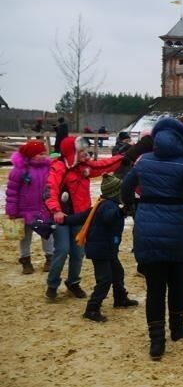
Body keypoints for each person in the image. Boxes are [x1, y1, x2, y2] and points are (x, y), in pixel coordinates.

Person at [121, 117, 183, 360]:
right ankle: (176, 328)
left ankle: (157, 342)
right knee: (177, 281)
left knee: (154, 287)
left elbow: (125, 187)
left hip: (147, 226)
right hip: (177, 227)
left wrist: (132, 207)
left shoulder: (145, 162)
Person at [45, 136, 123, 300]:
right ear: (72, 152)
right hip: (61, 217)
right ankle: (52, 285)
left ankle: (73, 282)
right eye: (81, 151)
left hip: (80, 216)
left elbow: (104, 165)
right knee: (62, 250)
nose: (85, 154)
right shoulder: (58, 168)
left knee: (78, 252)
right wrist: (55, 211)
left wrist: (125, 157)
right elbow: (50, 190)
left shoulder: (84, 167)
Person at [76, 174, 138, 322]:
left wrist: (65, 219)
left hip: (107, 249)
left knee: (117, 273)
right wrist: (122, 212)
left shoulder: (103, 203)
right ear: (115, 193)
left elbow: (82, 216)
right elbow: (110, 216)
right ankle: (91, 309)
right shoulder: (108, 206)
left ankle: (120, 298)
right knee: (105, 280)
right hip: (100, 250)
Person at [5, 141, 54, 274]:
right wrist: (12, 210)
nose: (44, 156)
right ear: (31, 155)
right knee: (25, 237)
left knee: (47, 234)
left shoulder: (48, 168)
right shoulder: (19, 170)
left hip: (43, 209)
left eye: (44, 153)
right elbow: (12, 192)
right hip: (24, 210)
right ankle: (25, 260)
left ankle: (50, 257)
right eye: (40, 153)